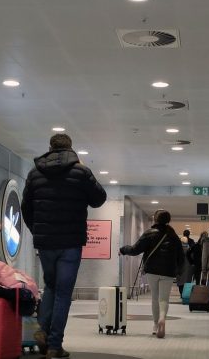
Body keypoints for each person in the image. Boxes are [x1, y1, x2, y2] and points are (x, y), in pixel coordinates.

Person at [21, 133, 106, 359]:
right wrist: (85, 171)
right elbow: (99, 198)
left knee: (50, 286)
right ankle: (54, 344)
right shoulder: (81, 172)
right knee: (63, 293)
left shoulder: (35, 173)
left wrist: (37, 230)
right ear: (70, 149)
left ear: (50, 148)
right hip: (71, 242)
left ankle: (42, 330)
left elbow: (26, 207)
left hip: (46, 242)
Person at [119, 209, 184, 338]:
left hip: (152, 270)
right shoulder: (173, 236)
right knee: (164, 298)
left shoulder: (149, 233)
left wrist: (123, 250)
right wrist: (178, 271)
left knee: (155, 297)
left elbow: (135, 249)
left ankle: (155, 325)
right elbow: (181, 257)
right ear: (168, 220)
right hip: (168, 271)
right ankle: (162, 318)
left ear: (155, 219)